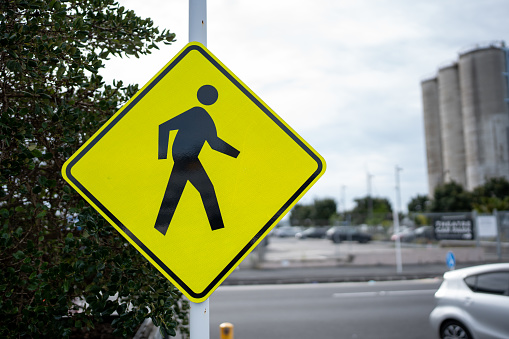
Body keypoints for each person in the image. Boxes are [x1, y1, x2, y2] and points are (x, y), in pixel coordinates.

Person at [154, 85, 240, 235]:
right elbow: (164, 127)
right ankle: (218, 231)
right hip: (184, 160)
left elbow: (214, 144)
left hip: (190, 160)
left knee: (175, 195)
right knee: (205, 192)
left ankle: (159, 230)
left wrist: (238, 155)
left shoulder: (205, 118)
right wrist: (162, 155)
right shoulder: (196, 113)